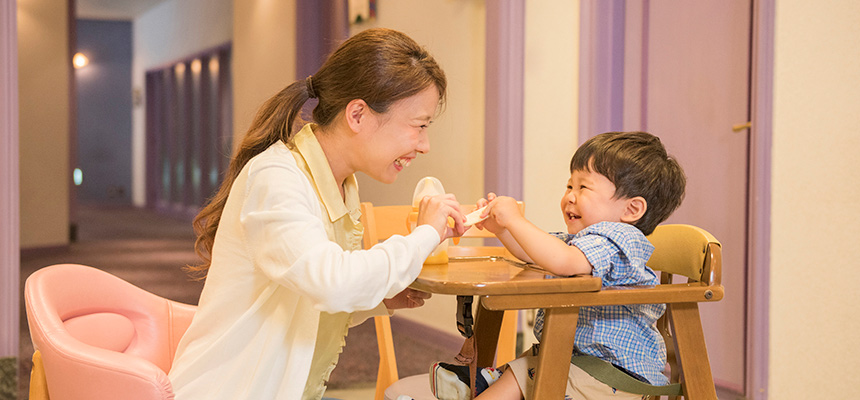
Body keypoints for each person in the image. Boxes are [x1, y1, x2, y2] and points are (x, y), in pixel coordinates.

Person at [168, 28, 468, 400]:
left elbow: (310, 298)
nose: (424, 145)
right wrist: (425, 235)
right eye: (419, 126)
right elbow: (332, 284)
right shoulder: (277, 178)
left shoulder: (341, 184)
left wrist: (379, 299)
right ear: (357, 114)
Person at [425, 131, 686, 400]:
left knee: (520, 375)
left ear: (631, 210)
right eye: (569, 186)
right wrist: (501, 229)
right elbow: (532, 255)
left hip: (612, 377)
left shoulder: (620, 239)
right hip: (578, 362)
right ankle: (488, 382)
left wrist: (515, 219)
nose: (570, 196)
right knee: (526, 366)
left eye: (583, 187)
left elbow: (562, 261)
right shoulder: (582, 240)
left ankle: (486, 383)